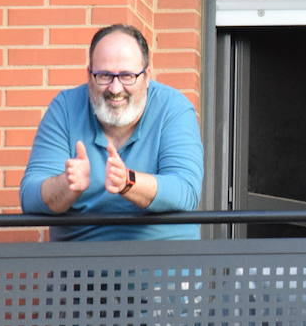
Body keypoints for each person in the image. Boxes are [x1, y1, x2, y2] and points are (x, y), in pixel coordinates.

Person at [20, 23, 204, 241]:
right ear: (89, 75)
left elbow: (185, 192)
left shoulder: (173, 107)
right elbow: (29, 197)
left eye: (127, 76)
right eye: (105, 76)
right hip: (79, 266)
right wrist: (66, 185)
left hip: (163, 265)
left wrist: (128, 181)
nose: (115, 89)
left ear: (146, 76)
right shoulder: (65, 108)